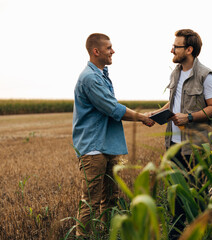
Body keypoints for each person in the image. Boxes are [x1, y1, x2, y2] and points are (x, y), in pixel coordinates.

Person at [72, 33, 154, 237]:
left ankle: (106, 233)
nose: (113, 51)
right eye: (109, 48)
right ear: (96, 51)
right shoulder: (90, 78)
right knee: (90, 200)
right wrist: (142, 117)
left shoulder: (101, 74)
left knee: (110, 198)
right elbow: (112, 108)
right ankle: (83, 237)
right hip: (93, 148)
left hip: (106, 145)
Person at [151, 29, 212, 239]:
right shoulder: (175, 73)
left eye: (176, 46)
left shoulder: (205, 76)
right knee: (176, 198)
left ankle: (200, 234)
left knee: (196, 200)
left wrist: (188, 117)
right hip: (173, 146)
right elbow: (174, 102)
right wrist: (156, 114)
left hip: (196, 149)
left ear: (189, 50)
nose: (171, 49)